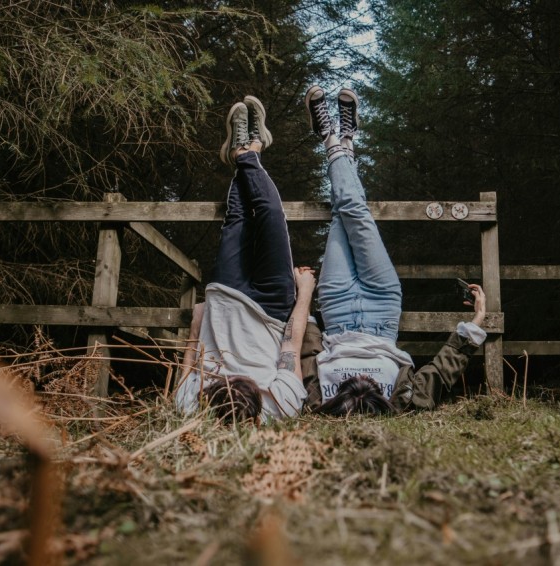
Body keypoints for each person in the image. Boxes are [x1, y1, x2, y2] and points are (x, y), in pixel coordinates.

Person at [300, 85, 489, 415]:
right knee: (354, 213)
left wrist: (304, 309)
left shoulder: (320, 407)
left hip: (337, 306)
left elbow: (305, 360)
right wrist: (476, 323)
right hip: (382, 304)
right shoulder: (400, 404)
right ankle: (334, 140)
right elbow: (438, 376)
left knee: (341, 214)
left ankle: (340, 141)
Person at [176, 96, 315, 423]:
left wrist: (197, 329)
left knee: (237, 220)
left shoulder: (191, 407)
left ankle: (245, 150)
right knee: (270, 217)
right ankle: (248, 153)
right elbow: (290, 350)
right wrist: (305, 291)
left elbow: (188, 366)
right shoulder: (280, 407)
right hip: (272, 307)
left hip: (224, 299)